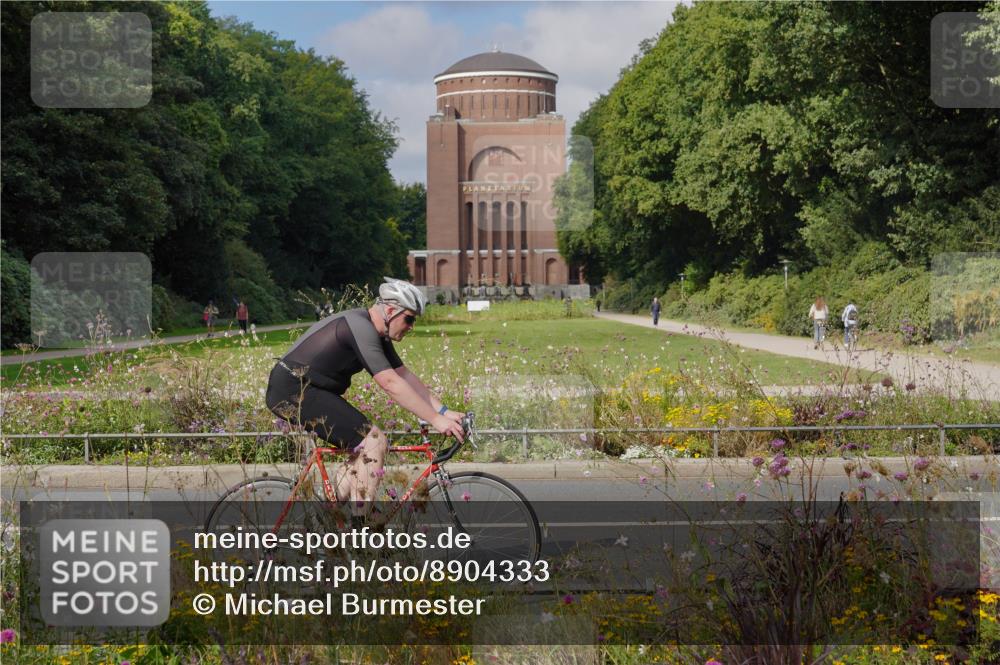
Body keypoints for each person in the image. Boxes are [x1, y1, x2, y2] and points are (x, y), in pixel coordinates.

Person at [265, 277, 465, 518]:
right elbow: (390, 383)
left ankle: (325, 517)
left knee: (363, 452)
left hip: (312, 388)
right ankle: (362, 530)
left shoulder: (377, 331)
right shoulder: (359, 327)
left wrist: (443, 412)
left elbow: (404, 376)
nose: (411, 326)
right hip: (293, 389)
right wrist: (434, 419)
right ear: (391, 310)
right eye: (409, 318)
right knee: (374, 441)